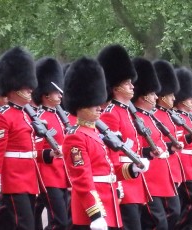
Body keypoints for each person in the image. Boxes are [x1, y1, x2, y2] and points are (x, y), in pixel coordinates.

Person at [62, 57, 149, 229]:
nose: (99, 107)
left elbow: (111, 169)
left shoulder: (97, 133)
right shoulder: (75, 137)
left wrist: (132, 169)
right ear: (81, 105)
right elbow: (82, 179)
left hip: (109, 205)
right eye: (93, 103)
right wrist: (95, 213)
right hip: (92, 211)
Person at [0, 47, 40, 230]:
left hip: (29, 180)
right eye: (26, 86)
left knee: (6, 223)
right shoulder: (2, 116)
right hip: (13, 181)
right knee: (25, 226)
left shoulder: (26, 115)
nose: (31, 89)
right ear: (14, 87)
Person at [98, 45, 150, 230]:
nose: (132, 86)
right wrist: (118, 183)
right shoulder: (111, 113)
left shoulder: (127, 111)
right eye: (128, 83)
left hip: (134, 178)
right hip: (124, 181)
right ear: (116, 86)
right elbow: (111, 153)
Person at [130, 57, 177, 230]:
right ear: (143, 96)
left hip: (162, 174)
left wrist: (170, 148)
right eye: (152, 94)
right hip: (148, 176)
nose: (156, 97)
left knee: (174, 212)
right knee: (157, 222)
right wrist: (148, 151)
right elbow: (132, 146)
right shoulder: (135, 118)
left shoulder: (152, 116)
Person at [32, 57, 71, 230]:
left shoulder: (61, 117)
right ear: (46, 94)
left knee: (66, 221)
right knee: (59, 222)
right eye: (57, 93)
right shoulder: (41, 119)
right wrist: (51, 153)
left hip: (63, 176)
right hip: (48, 177)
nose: (60, 95)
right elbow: (35, 152)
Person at [152, 60, 183, 229]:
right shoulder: (153, 115)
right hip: (157, 170)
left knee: (174, 211)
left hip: (170, 168)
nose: (174, 98)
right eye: (171, 95)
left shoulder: (169, 115)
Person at [173, 67, 192, 230]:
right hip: (184, 164)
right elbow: (176, 141)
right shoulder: (176, 116)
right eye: (190, 98)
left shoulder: (191, 116)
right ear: (182, 98)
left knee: (187, 201)